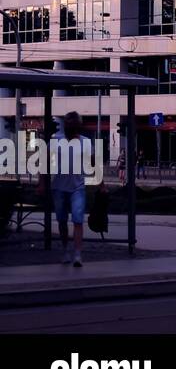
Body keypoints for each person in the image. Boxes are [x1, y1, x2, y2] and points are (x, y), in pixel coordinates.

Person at [45, 112, 102, 268]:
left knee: (78, 220)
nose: (72, 127)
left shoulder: (85, 142)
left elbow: (93, 163)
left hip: (78, 187)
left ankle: (77, 254)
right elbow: (45, 163)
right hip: (58, 186)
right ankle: (65, 250)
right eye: (69, 124)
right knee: (62, 221)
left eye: (74, 125)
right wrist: (41, 183)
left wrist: (101, 183)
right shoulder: (56, 140)